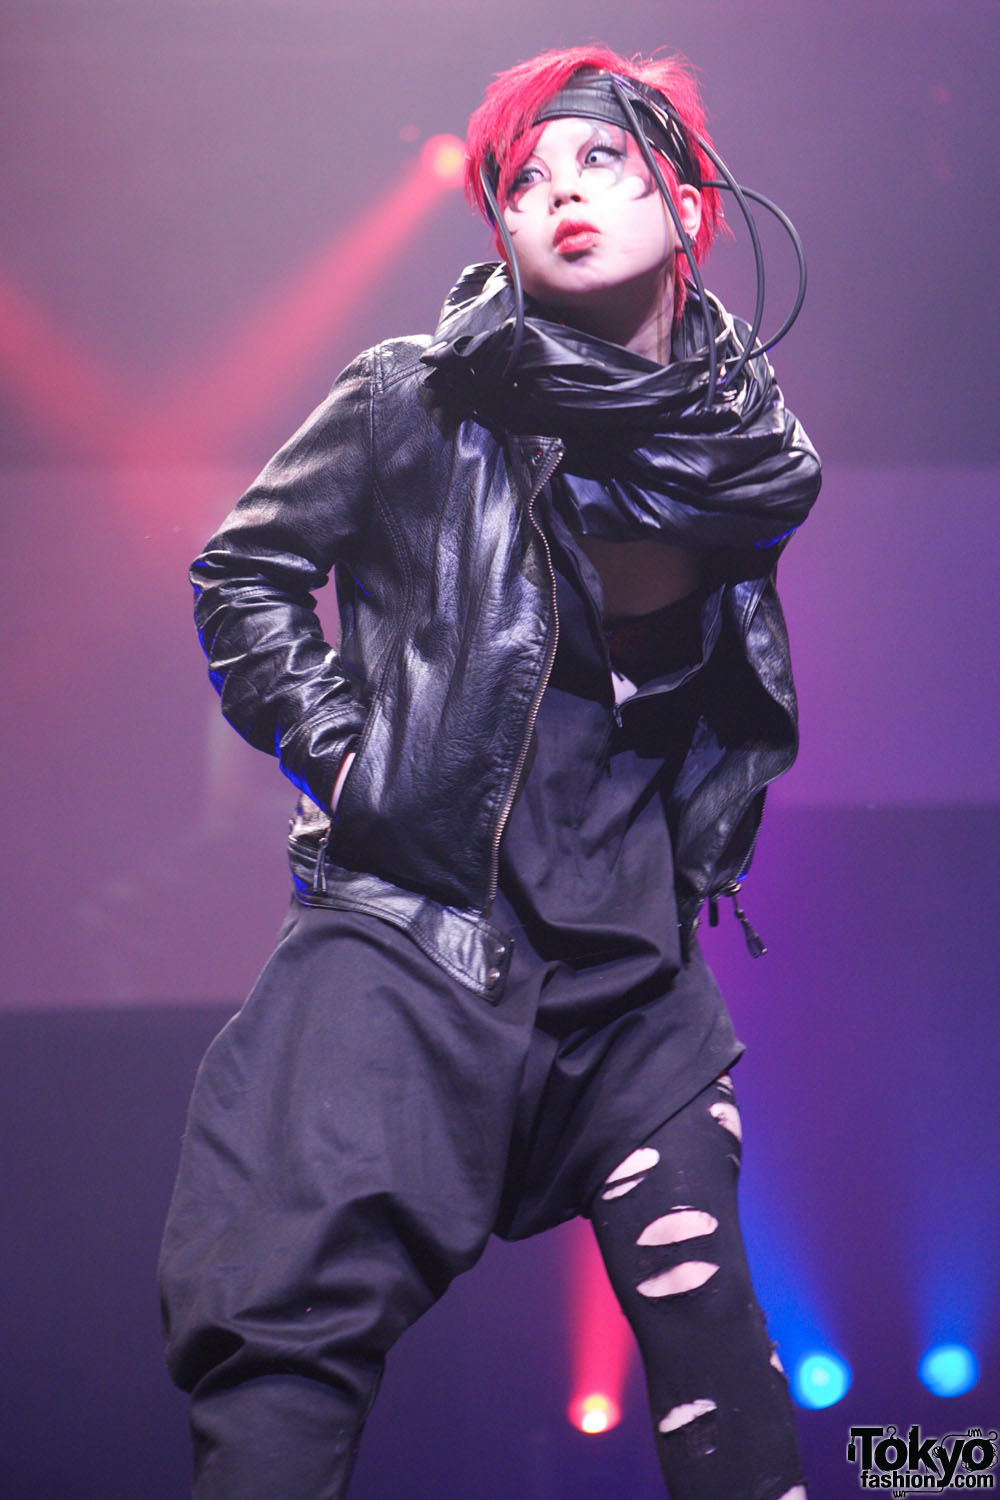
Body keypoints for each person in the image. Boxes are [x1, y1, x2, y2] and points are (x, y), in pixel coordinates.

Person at [159, 42, 820, 1500]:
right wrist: (354, 764)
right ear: (503, 232)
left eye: (600, 160)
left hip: (630, 969)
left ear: (688, 205)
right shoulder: (415, 395)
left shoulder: (746, 463)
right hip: (420, 935)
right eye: (525, 181)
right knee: (287, 1342)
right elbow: (241, 575)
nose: (559, 193)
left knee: (718, 1346)